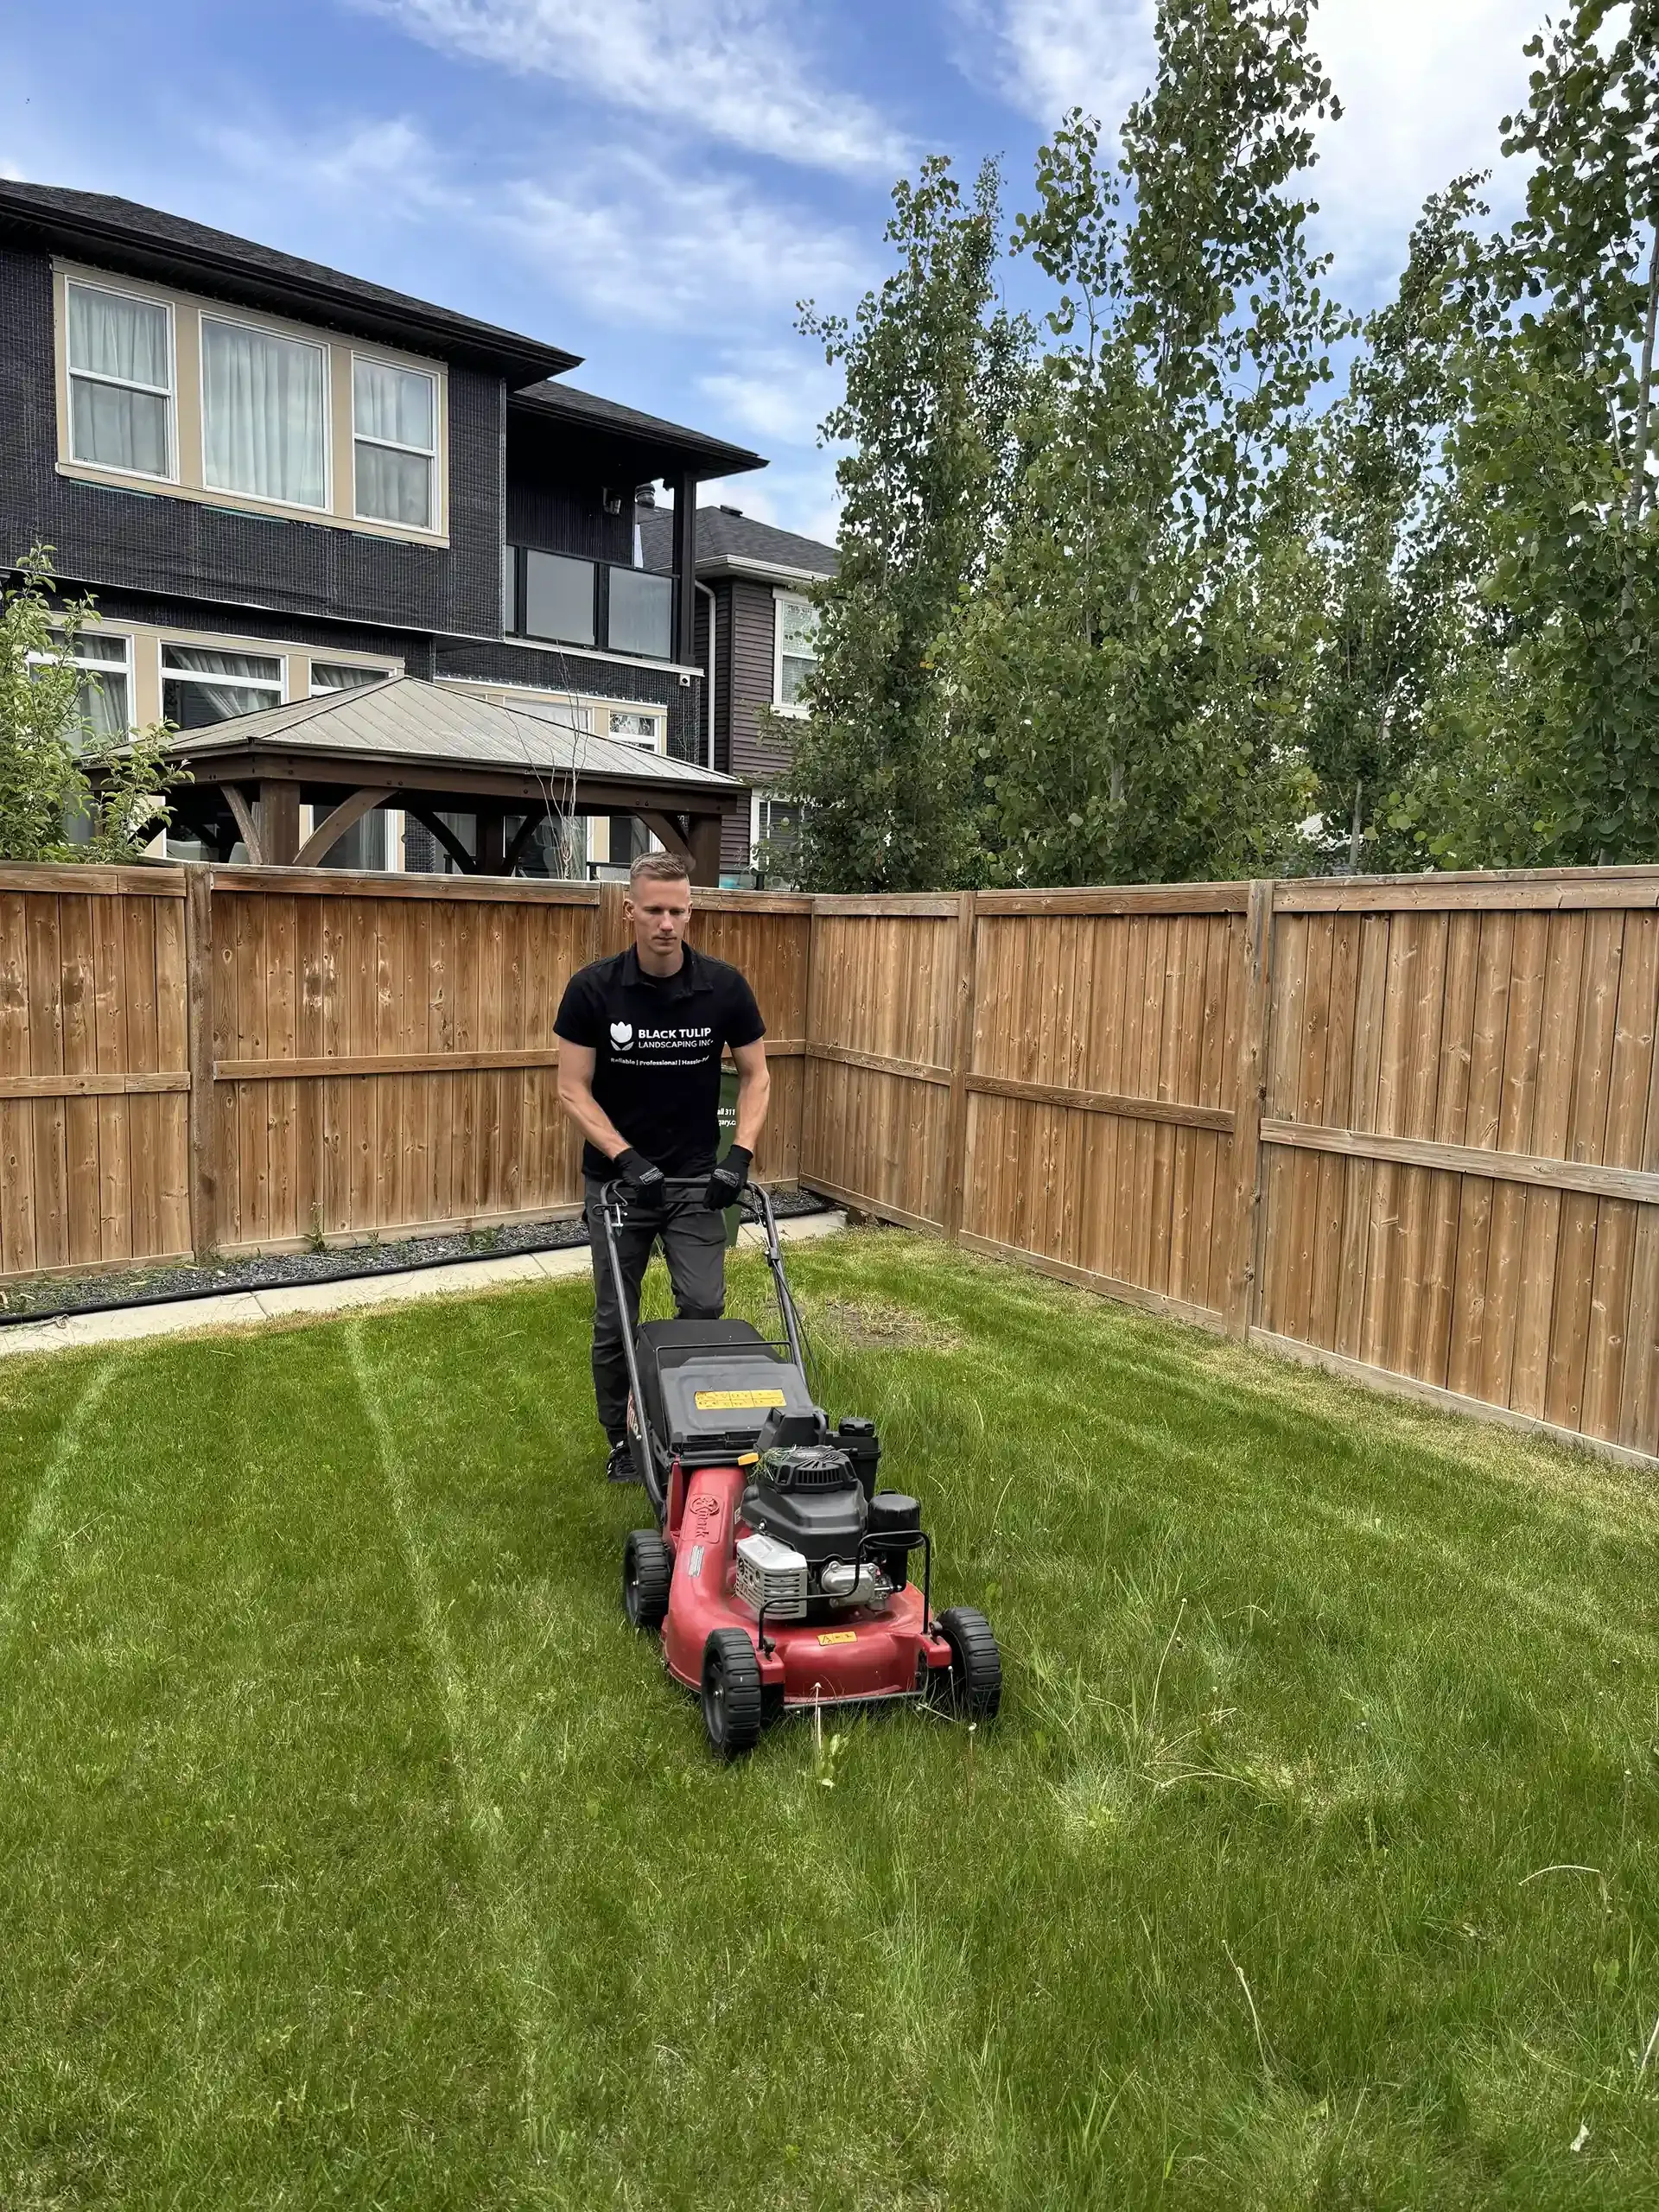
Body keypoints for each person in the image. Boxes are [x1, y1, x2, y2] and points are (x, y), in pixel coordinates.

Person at [554, 849, 771, 1480]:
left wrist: (740, 1157)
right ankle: (622, 1440)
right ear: (630, 911)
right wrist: (625, 1158)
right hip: (619, 1185)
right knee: (614, 1312)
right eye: (654, 910)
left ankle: (684, 1420)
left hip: (695, 1183)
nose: (667, 923)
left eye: (678, 910)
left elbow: (757, 1077)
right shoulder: (592, 990)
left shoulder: (724, 987)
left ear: (691, 910)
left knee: (703, 1307)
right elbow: (572, 1088)